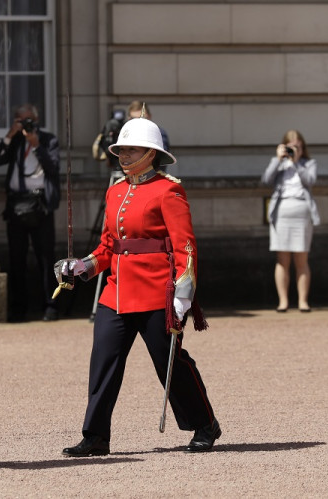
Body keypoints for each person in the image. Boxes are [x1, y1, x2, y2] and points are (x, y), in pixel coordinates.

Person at [56, 117, 220, 457]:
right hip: (115, 292)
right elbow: (107, 248)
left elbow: (185, 247)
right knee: (103, 361)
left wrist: (183, 293)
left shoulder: (168, 189)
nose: (123, 155)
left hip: (156, 291)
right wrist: (81, 266)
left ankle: (204, 423)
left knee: (168, 361)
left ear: (150, 153)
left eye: (131, 149)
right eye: (121, 149)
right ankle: (96, 435)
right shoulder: (115, 191)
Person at [0, 103, 61, 322]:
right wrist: (10, 135)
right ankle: (18, 308)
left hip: (40, 205)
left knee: (45, 257)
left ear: (36, 120)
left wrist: (37, 145)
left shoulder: (49, 140)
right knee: (16, 258)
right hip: (16, 205)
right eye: (20, 120)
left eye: (28, 120)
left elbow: (53, 168)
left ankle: (50, 306)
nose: (25, 124)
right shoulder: (16, 140)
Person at [262, 129, 320, 313]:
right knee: (282, 259)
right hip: (282, 212)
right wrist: (279, 159)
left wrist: (296, 163)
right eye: (290, 146)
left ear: (302, 147)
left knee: (301, 258)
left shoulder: (309, 163)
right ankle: (283, 301)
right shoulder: (278, 163)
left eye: (297, 146)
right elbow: (265, 180)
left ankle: (303, 301)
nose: (294, 149)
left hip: (302, 211)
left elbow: (310, 180)